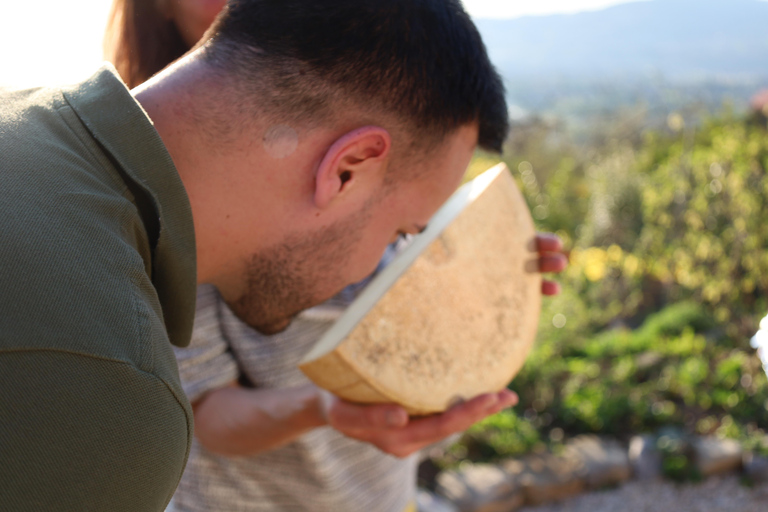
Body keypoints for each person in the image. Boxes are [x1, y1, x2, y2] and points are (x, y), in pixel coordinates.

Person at [1, 1, 527, 510]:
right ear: (348, 168)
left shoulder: (20, 123)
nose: (382, 262)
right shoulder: (113, 402)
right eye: (401, 233)